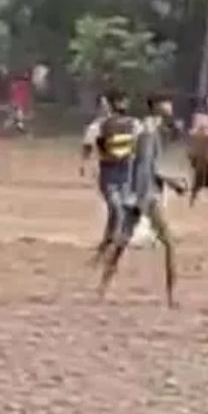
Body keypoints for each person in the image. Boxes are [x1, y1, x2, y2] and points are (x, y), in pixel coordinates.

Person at [98, 94, 177, 306]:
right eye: (167, 103)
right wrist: (170, 182)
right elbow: (146, 167)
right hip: (147, 194)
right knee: (169, 243)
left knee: (122, 243)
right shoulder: (149, 132)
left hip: (139, 193)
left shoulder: (149, 129)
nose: (170, 106)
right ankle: (172, 296)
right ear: (157, 107)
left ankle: (102, 288)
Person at [90, 90, 142, 264]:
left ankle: (107, 246)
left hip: (124, 172)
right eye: (120, 101)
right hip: (110, 173)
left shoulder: (133, 124)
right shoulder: (100, 126)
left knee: (117, 212)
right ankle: (109, 249)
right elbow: (90, 146)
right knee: (117, 210)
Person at [80, 94, 111, 178]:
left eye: (105, 102)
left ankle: (96, 172)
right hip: (95, 132)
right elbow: (88, 125)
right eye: (103, 102)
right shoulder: (95, 114)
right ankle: (85, 167)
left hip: (101, 133)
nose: (105, 105)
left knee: (99, 154)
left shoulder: (108, 114)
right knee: (91, 152)